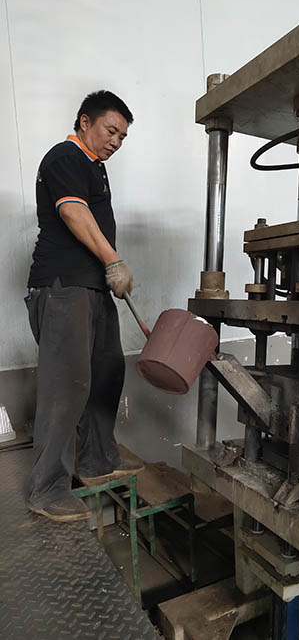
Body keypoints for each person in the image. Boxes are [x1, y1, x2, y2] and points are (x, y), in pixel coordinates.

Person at [25, 90, 143, 522]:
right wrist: (113, 260)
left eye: (123, 137)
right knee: (66, 386)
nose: (116, 141)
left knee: (108, 371)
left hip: (92, 289)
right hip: (62, 288)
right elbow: (73, 213)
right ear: (84, 121)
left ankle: (98, 459)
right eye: (111, 130)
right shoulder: (65, 157)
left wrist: (107, 271)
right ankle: (47, 489)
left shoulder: (94, 167)